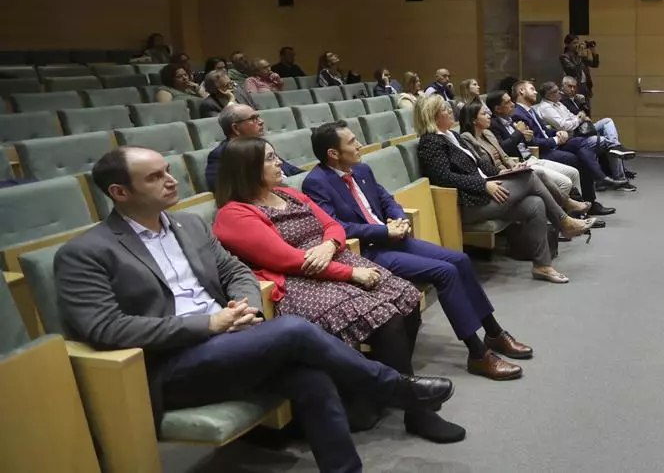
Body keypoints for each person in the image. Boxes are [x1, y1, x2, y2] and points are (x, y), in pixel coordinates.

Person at [54, 147, 456, 472]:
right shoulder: (86, 252)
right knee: (294, 329)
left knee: (310, 376)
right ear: (119, 192)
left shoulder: (188, 226)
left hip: (233, 339)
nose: (170, 180)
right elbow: (104, 328)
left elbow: (235, 270)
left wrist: (243, 305)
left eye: (168, 171)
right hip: (172, 365)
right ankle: (395, 388)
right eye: (154, 177)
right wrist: (210, 323)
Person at [213, 138, 464, 443]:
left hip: (333, 260)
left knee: (406, 298)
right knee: (386, 317)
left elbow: (334, 226)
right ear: (246, 168)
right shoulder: (233, 215)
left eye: (276, 156)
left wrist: (329, 245)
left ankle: (373, 393)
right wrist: (351, 273)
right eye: (269, 158)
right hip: (298, 283)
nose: (279, 162)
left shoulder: (288, 193)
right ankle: (416, 410)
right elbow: (287, 260)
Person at [303, 122, 529, 380]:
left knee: (460, 260)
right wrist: (383, 231)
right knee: (445, 272)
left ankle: (494, 333)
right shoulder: (316, 183)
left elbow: (386, 200)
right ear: (333, 153)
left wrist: (399, 219)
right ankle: (478, 354)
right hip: (366, 252)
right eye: (352, 142)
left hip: (394, 239)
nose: (360, 145)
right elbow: (336, 226)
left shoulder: (362, 169)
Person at [415, 96, 593, 284]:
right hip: (469, 203)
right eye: (444, 109)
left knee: (536, 203)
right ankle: (564, 219)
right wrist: (483, 185)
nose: (450, 111)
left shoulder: (452, 135)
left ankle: (542, 265)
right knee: (531, 176)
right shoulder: (430, 142)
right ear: (432, 115)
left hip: (486, 191)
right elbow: (444, 178)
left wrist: (502, 172)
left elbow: (479, 164)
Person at [485, 90, 615, 217]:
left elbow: (537, 134)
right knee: (576, 162)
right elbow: (504, 148)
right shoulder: (498, 123)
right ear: (498, 109)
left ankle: (586, 205)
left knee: (583, 149)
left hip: (534, 154)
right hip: (528, 158)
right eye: (508, 102)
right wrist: (521, 133)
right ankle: (574, 214)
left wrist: (554, 133)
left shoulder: (513, 118)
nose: (512, 104)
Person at [459, 102, 592, 219]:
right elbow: (480, 165)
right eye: (484, 114)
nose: (489, 116)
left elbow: (504, 156)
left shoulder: (487, 133)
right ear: (473, 120)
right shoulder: (466, 138)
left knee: (567, 174)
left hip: (513, 167)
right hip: (496, 178)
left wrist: (514, 165)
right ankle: (566, 212)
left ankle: (571, 215)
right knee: (543, 176)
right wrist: (507, 170)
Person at [512, 80, 633, 192]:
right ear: (521, 91)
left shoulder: (531, 110)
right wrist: (556, 138)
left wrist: (557, 133)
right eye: (532, 89)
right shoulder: (519, 114)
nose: (535, 92)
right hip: (543, 151)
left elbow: (546, 130)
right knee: (582, 155)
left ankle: (602, 178)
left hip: (562, 138)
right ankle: (601, 178)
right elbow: (532, 141)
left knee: (583, 144)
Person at [205, 104, 301, 190]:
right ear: (236, 128)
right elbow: (223, 188)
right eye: (253, 118)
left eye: (258, 117)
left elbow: (292, 171)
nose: (261, 121)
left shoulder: (262, 145)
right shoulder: (221, 155)